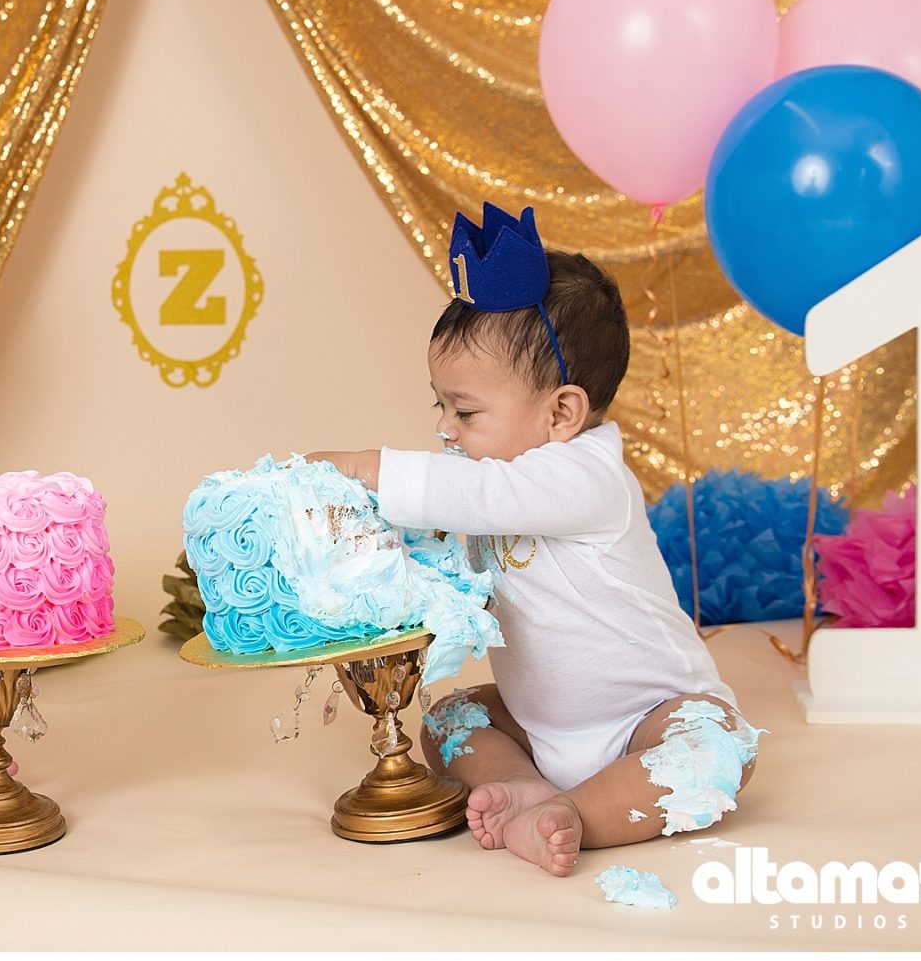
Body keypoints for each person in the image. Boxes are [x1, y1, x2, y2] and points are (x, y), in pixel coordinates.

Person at [310, 203, 762, 876]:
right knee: (450, 719)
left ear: (562, 413)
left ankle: (579, 812)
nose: (444, 427)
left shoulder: (589, 476)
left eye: (466, 410)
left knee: (719, 750)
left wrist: (364, 468)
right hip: (541, 723)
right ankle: (524, 787)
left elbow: (474, 497)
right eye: (440, 404)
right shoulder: (489, 480)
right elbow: (443, 533)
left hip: (650, 716)